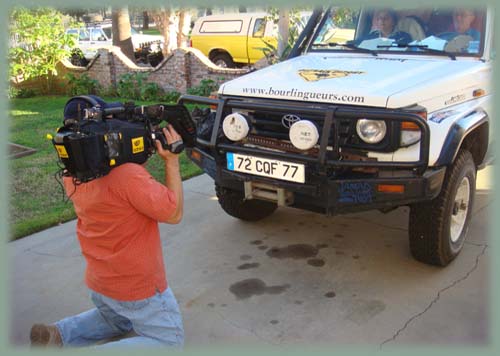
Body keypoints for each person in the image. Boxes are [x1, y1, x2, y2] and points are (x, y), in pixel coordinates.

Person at [29, 125, 185, 348]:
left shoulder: (71, 176)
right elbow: (174, 213)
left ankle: (58, 334)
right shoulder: (128, 177)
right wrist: (172, 160)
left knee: (116, 320)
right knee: (170, 343)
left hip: (100, 282)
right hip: (137, 288)